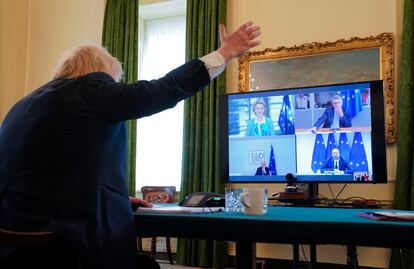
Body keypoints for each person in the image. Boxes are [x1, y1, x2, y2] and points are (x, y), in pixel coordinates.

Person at [0, 21, 261, 269]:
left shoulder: (26, 104)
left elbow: (49, 172)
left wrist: (115, 198)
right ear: (102, 74)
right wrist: (224, 53)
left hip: (16, 245)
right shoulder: (91, 88)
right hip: (66, 247)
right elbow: (163, 89)